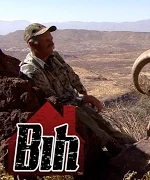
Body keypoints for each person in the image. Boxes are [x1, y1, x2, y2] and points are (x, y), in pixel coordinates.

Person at [19, 23, 132, 158]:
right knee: (83, 117)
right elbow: (52, 101)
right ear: (32, 45)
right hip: (61, 111)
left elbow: (71, 75)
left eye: (51, 38)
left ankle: (133, 145)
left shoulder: (54, 56)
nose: (52, 42)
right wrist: (81, 100)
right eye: (47, 40)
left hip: (76, 102)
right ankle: (112, 146)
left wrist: (84, 94)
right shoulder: (30, 70)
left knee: (103, 123)